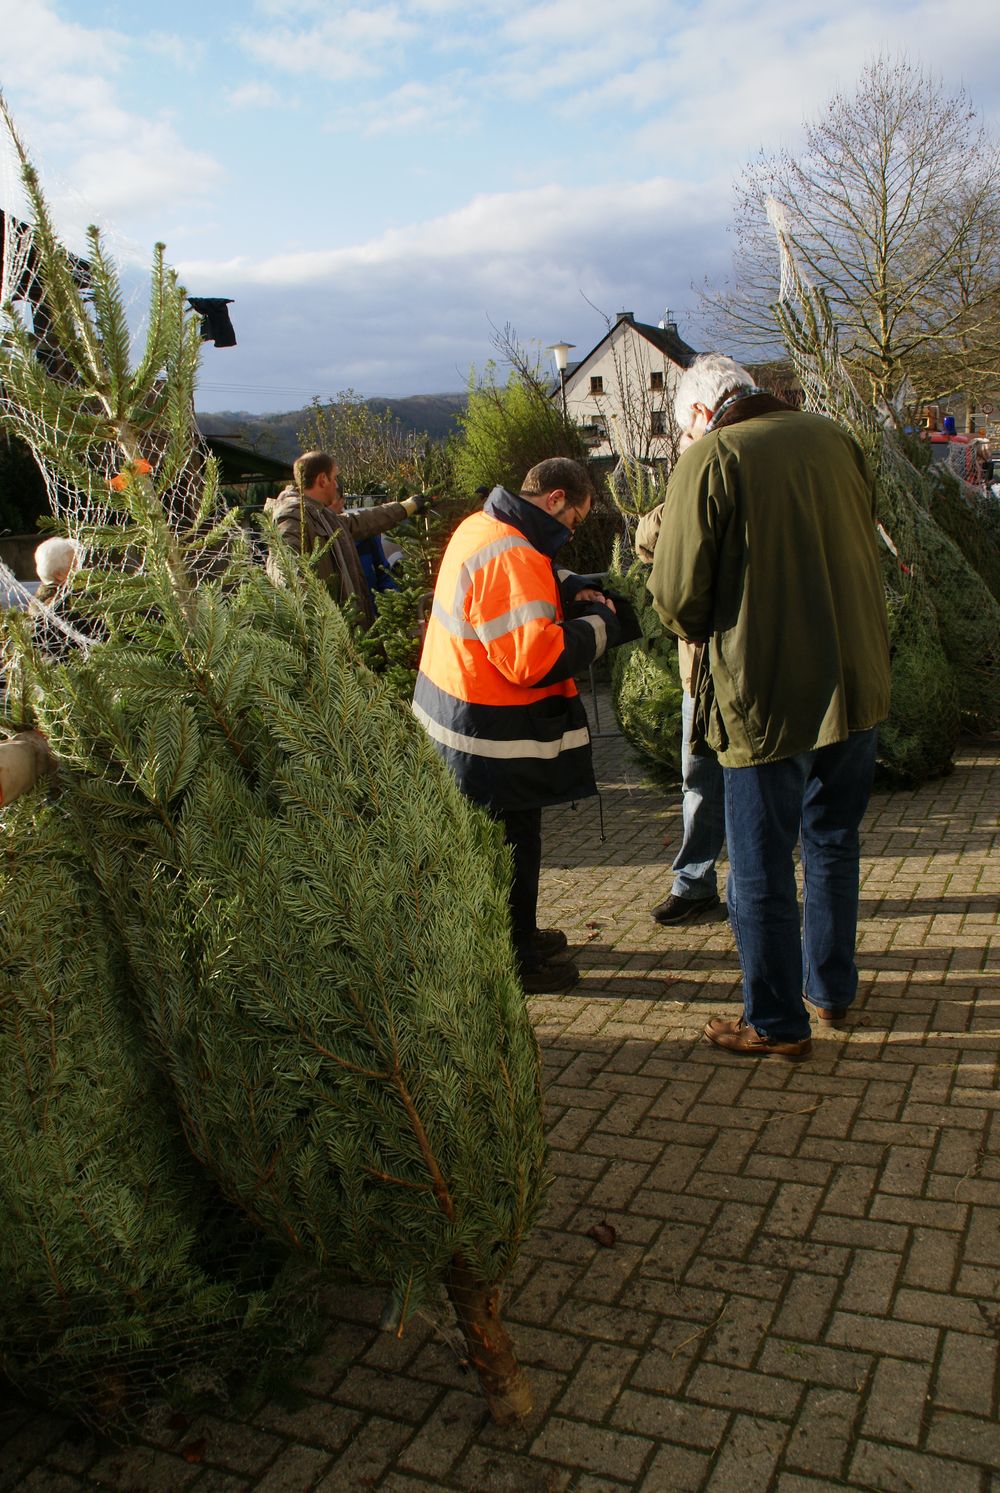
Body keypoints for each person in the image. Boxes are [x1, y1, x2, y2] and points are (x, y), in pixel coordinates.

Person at [649, 353, 891, 1059]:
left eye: (683, 432)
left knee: (758, 865)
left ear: (699, 414)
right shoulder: (835, 436)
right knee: (833, 840)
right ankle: (831, 990)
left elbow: (676, 600)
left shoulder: (713, 457)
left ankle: (777, 1022)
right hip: (857, 685)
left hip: (767, 696)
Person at [413, 457, 639, 994]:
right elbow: (532, 659)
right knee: (515, 846)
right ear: (556, 499)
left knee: (506, 845)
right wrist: (600, 624)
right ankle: (519, 960)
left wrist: (572, 586)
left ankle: (520, 936)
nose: (571, 533)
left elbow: (528, 576)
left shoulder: (485, 526)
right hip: (489, 738)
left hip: (458, 720)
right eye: (576, 521)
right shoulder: (512, 550)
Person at [635, 502, 726, 925]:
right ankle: (694, 885)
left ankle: (755, 889)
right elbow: (645, 540)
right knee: (699, 782)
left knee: (759, 788)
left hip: (753, 674)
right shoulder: (693, 492)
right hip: (700, 677)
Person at [265, 451, 433, 627]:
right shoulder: (292, 517)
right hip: (324, 636)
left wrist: (408, 506)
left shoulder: (323, 515)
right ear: (323, 480)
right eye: (334, 478)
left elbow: (364, 520)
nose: (337, 485)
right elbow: (283, 566)